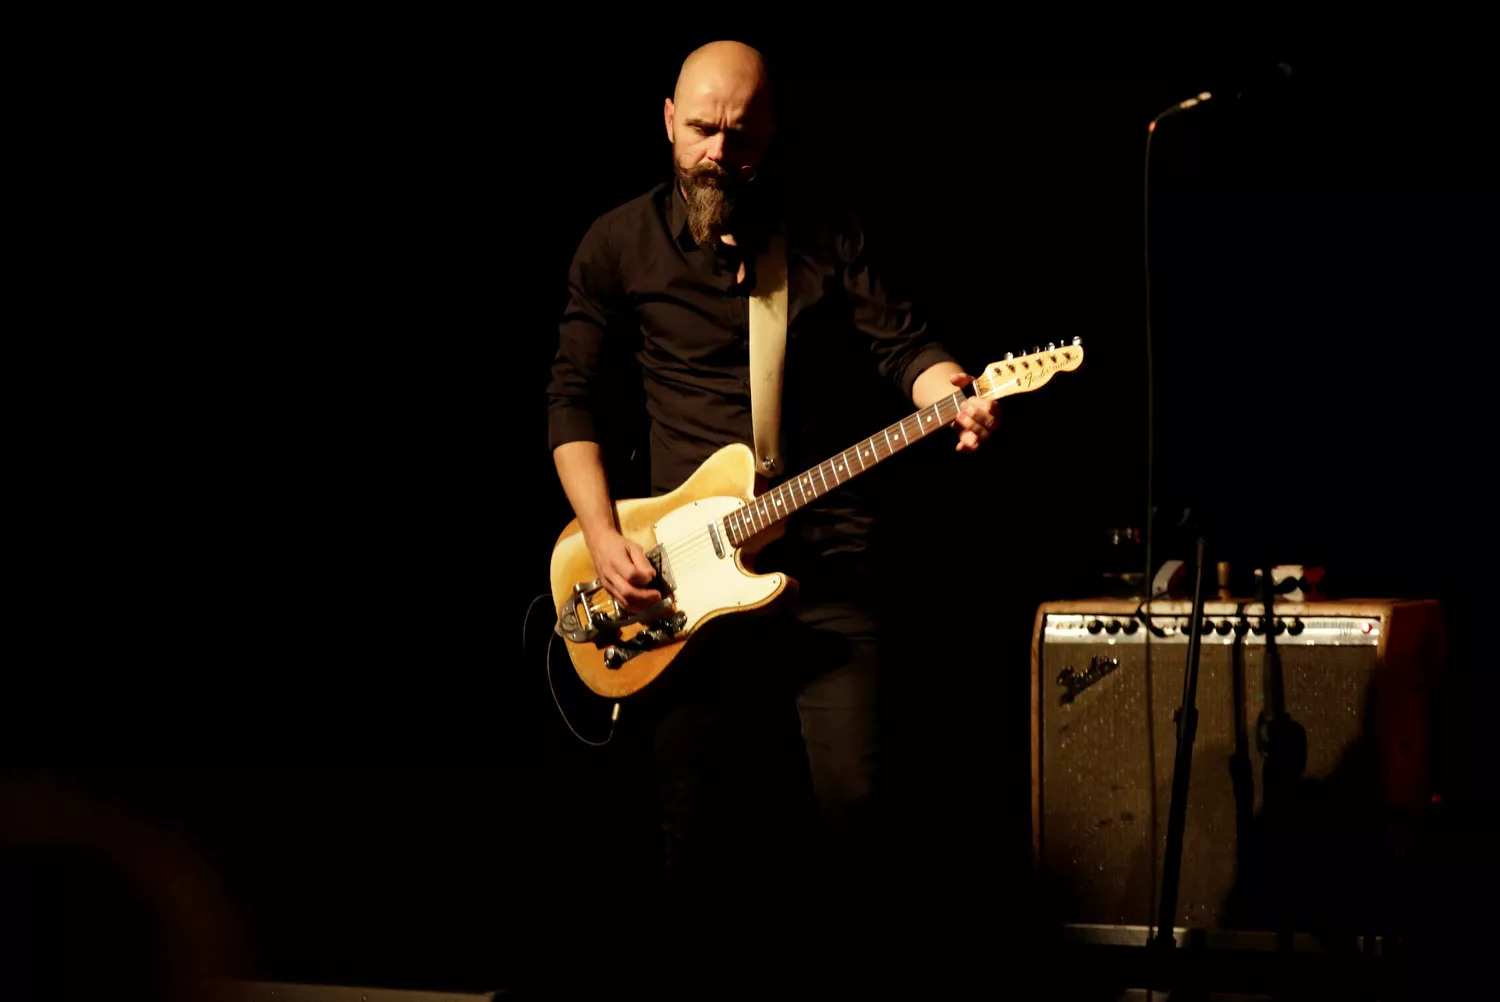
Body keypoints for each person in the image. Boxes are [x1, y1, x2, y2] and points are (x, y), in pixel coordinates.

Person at [545, 40, 999, 985]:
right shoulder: (617, 244)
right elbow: (572, 402)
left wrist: (952, 392)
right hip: (680, 582)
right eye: (701, 129)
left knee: (861, 809)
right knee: (698, 837)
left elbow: (905, 348)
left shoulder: (824, 233)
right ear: (667, 121)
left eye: (740, 136)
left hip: (828, 562)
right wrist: (602, 536)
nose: (718, 152)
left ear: (771, 134)